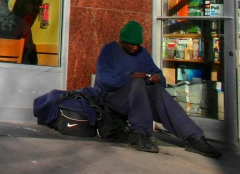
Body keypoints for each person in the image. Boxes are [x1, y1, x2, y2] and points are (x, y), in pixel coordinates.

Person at [95, 21, 221, 158]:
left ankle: (194, 137)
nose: (135, 48)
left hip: (138, 99)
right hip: (113, 98)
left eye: (137, 44)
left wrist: (158, 78)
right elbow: (104, 80)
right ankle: (139, 133)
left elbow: (158, 75)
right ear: (122, 41)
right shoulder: (109, 50)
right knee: (137, 83)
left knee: (157, 90)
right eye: (131, 44)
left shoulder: (142, 54)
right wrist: (129, 76)